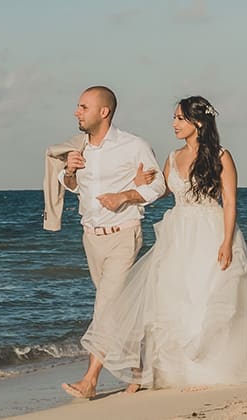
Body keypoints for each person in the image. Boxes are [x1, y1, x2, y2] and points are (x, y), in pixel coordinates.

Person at [78, 95, 247, 392]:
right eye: (175, 118)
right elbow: (163, 191)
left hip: (209, 229)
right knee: (172, 296)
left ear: (199, 123)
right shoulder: (172, 156)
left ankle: (209, 368)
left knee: (207, 295)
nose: (174, 124)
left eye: (180, 118)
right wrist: (137, 183)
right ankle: (173, 370)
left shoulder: (220, 156)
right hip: (177, 233)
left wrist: (227, 242)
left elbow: (230, 202)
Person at [57, 86, 168, 399]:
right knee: (118, 310)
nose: (77, 112)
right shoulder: (81, 148)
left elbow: (159, 184)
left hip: (123, 233)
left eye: (83, 107)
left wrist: (126, 196)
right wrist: (69, 171)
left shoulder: (134, 145)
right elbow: (70, 187)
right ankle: (140, 371)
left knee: (105, 309)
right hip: (91, 238)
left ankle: (90, 380)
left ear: (103, 112)